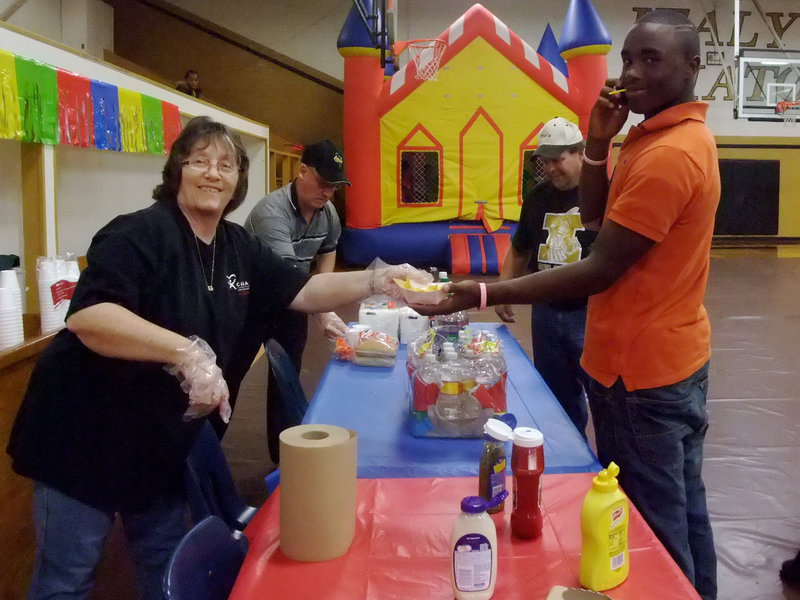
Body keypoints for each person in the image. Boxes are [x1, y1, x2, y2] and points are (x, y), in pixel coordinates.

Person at [6, 116, 420, 600]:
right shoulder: (139, 233)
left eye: (225, 165)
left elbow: (303, 287)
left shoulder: (236, 244)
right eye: (199, 161)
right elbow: (91, 316)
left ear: (238, 181)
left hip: (160, 437)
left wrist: (375, 279)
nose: (212, 173)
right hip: (84, 432)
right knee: (68, 579)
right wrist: (185, 352)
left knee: (160, 563)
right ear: (177, 170)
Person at [415, 10, 719, 600]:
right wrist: (601, 141)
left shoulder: (670, 154)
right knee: (687, 510)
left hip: (642, 375)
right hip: (665, 360)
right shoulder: (653, 137)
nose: (631, 72)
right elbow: (595, 220)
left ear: (693, 66)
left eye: (651, 59)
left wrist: (483, 291)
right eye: (627, 58)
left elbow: (600, 267)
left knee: (656, 531)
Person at [244, 139, 350, 464]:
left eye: (334, 187)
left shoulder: (327, 213)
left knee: (286, 373)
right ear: (302, 171)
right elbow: (286, 277)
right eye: (322, 184)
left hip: (294, 297)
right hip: (248, 298)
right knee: (228, 373)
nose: (327, 193)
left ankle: (285, 455)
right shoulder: (271, 213)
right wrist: (320, 307)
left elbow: (327, 254)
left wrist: (325, 300)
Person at [495, 117, 598, 436]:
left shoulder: (600, 193)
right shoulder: (539, 196)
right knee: (555, 394)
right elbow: (520, 247)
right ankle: (568, 452)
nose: (552, 168)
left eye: (558, 160)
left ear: (580, 153)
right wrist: (504, 289)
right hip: (547, 311)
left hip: (589, 313)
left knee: (600, 392)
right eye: (546, 161)